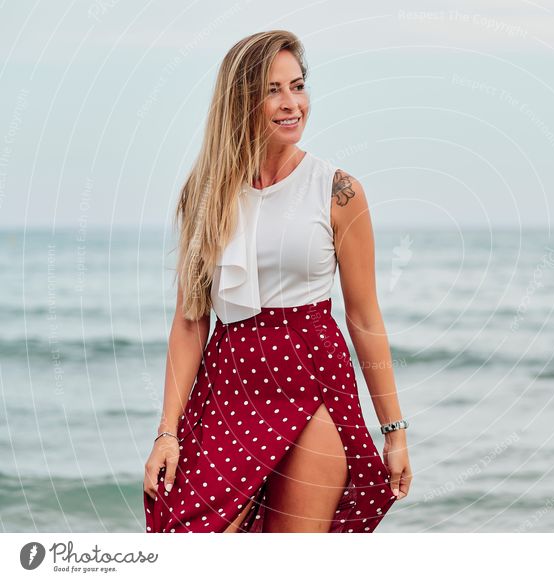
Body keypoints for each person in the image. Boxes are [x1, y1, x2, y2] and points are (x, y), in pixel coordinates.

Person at [142, 30, 411, 533]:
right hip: (231, 381)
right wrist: (167, 432)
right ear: (241, 100)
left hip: (313, 377)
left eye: (298, 86)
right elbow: (189, 322)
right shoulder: (203, 194)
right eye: (273, 90)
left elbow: (363, 316)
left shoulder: (339, 191)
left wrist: (393, 431)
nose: (292, 104)